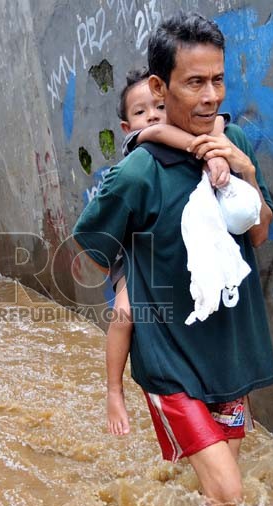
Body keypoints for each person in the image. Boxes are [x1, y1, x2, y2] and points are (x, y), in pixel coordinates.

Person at [73, 12, 273, 506]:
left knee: (216, 498)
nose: (211, 96)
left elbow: (260, 231)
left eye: (218, 80)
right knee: (232, 497)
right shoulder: (138, 172)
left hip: (229, 354)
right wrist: (135, 291)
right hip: (171, 363)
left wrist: (245, 168)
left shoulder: (238, 146)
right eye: (195, 83)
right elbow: (91, 250)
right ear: (161, 87)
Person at [106, 68, 232, 436]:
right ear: (128, 127)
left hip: (179, 249)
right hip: (136, 250)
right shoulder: (141, 146)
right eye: (141, 112)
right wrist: (208, 151)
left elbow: (220, 121)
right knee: (126, 310)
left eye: (160, 107)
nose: (153, 116)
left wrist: (218, 151)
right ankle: (114, 390)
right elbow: (163, 133)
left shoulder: (195, 132)